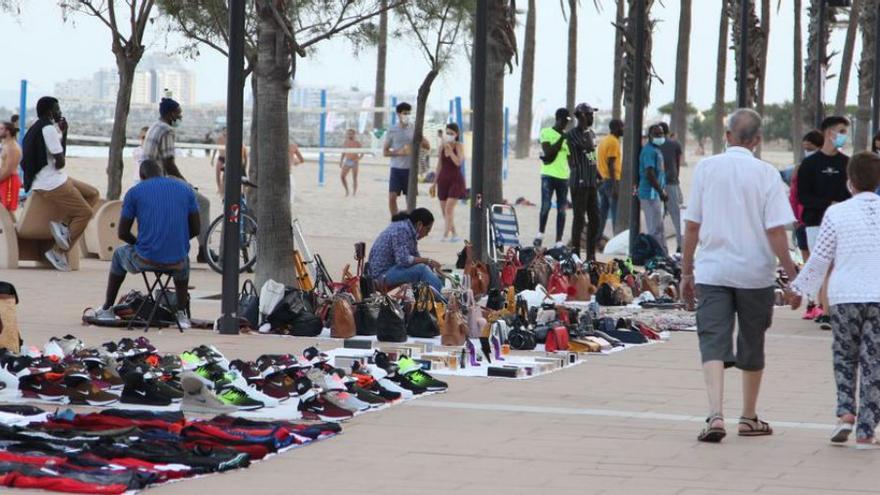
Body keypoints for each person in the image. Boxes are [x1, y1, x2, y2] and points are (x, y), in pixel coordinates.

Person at [680, 108, 800, 443]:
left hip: (714, 270)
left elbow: (692, 225)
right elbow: (776, 231)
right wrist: (793, 278)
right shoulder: (766, 174)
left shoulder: (706, 168)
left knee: (713, 340)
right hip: (755, 273)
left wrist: (686, 271)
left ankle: (715, 414)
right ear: (758, 140)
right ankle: (748, 416)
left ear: (728, 135)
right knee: (752, 341)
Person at [791, 151, 880, 448]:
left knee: (845, 355)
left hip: (844, 297)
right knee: (874, 362)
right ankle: (867, 429)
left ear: (850, 182)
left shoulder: (837, 213)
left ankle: (845, 413)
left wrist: (799, 289)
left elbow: (820, 259)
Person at [92, 160, 199, 328]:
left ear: (142, 177)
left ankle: (107, 308)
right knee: (184, 259)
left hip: (145, 258)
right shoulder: (186, 189)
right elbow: (196, 228)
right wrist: (176, 242)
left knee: (119, 254)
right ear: (163, 174)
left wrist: (139, 245)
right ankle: (181, 313)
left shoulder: (135, 192)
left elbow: (122, 233)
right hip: (176, 261)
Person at [20, 96, 100, 271]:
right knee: (85, 213)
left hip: (53, 178)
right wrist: (60, 148)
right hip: (51, 183)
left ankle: (63, 225)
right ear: (49, 112)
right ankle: (57, 252)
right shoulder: (48, 128)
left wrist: (64, 133)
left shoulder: (37, 127)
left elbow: (57, 155)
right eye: (57, 109)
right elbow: (61, 161)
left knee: (93, 194)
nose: (60, 112)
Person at [142, 97, 212, 264]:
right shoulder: (166, 130)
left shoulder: (154, 126)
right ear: (171, 114)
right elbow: (169, 163)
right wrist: (185, 182)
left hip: (149, 180)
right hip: (161, 182)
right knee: (203, 203)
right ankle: (204, 250)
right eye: (178, 114)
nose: (180, 117)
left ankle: (182, 243)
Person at [797, 116, 852, 251]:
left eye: (846, 133)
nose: (844, 136)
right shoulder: (809, 163)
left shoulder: (848, 163)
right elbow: (803, 196)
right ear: (829, 133)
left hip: (843, 226)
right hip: (816, 225)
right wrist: (829, 203)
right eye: (842, 131)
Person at [367, 208, 442, 294]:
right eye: (427, 230)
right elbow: (404, 260)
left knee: (424, 268)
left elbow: (415, 257)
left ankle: (431, 296)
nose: (427, 234)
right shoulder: (401, 229)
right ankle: (441, 298)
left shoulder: (407, 230)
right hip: (380, 276)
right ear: (419, 225)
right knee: (421, 270)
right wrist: (428, 261)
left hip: (388, 271)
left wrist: (431, 266)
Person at [383, 102, 430, 217]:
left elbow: (427, 146)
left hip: (411, 170)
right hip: (396, 169)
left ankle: (409, 221)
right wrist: (399, 152)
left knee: (410, 201)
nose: (407, 115)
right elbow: (385, 152)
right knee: (392, 198)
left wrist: (420, 139)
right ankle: (395, 220)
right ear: (398, 114)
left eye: (409, 113)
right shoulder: (392, 130)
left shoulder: (414, 128)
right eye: (405, 113)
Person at [566, 103, 600, 260]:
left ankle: (591, 253)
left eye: (592, 115)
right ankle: (575, 252)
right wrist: (585, 127)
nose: (592, 117)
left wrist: (598, 174)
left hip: (591, 181)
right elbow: (585, 147)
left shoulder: (591, 133)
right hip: (579, 182)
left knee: (595, 218)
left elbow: (591, 156)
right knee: (579, 218)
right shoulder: (572, 134)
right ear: (580, 116)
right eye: (589, 114)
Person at [536, 108, 571, 247]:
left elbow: (569, 158)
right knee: (545, 206)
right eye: (564, 121)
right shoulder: (546, 132)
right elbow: (549, 152)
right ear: (557, 119)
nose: (565, 125)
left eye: (567, 122)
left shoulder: (567, 139)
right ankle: (540, 234)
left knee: (562, 210)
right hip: (548, 175)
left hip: (563, 177)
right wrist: (562, 137)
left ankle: (559, 240)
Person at [790, 130, 824, 265]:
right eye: (805, 149)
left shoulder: (825, 170)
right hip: (801, 220)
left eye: (810, 149)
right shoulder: (800, 168)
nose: (807, 152)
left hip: (818, 221)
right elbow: (793, 195)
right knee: (806, 259)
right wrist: (795, 218)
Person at [432, 123, 466, 242]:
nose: (449, 135)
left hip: (455, 180)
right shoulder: (441, 147)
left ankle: (445, 235)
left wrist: (450, 150)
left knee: (449, 209)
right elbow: (439, 165)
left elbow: (458, 162)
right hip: (443, 180)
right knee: (444, 211)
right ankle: (455, 234)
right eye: (448, 133)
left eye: (452, 133)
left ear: (456, 135)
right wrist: (434, 182)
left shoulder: (459, 146)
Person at [639, 124, 668, 250]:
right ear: (650, 136)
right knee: (654, 228)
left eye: (661, 134)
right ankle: (655, 254)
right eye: (656, 134)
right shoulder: (649, 151)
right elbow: (649, 173)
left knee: (660, 227)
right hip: (650, 194)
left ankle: (662, 252)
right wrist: (660, 191)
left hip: (656, 194)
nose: (660, 137)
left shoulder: (657, 150)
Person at [658, 122, 684, 252]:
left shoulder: (654, 145)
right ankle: (680, 245)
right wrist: (676, 178)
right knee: (677, 216)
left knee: (658, 216)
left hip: (657, 184)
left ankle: (660, 246)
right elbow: (678, 163)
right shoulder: (675, 144)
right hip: (671, 182)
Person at [597, 119, 623, 241]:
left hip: (603, 180)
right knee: (616, 213)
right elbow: (611, 163)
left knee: (603, 212)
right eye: (622, 126)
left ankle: (597, 237)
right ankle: (616, 239)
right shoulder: (613, 142)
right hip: (611, 181)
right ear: (616, 128)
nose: (623, 129)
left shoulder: (605, 140)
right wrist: (615, 186)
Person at [0, 120, 22, 212]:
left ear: (7, 131)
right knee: (4, 212)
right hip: (4, 180)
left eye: (1, 129)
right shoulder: (6, 145)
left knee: (6, 211)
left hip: (9, 181)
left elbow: (9, 169)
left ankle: (10, 227)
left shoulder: (12, 147)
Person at [339, 129, 363, 197]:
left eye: (351, 134)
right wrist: (341, 161)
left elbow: (362, 153)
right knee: (342, 176)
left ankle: (354, 193)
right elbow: (343, 152)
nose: (350, 135)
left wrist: (358, 159)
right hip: (347, 161)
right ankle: (347, 190)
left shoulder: (357, 142)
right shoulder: (346, 142)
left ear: (354, 134)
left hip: (354, 161)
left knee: (354, 178)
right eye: (349, 134)